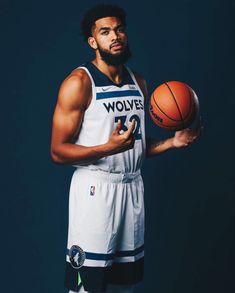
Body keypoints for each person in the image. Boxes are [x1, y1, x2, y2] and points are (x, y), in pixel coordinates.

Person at [50, 4, 202, 293]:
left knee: (124, 286)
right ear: (93, 42)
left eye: (119, 29)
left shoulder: (139, 83)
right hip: (95, 191)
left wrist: (171, 142)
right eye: (105, 32)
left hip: (132, 189)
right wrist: (108, 147)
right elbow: (57, 151)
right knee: (87, 288)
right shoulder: (79, 83)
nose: (115, 36)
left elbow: (135, 149)